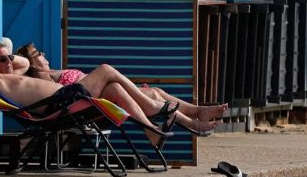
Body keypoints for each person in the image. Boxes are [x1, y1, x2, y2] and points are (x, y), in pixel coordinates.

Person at [0, 41, 172, 147]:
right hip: (60, 104)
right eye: (2, 60)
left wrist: (7, 56)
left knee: (114, 88)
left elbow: (26, 62)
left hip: (67, 99)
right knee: (106, 69)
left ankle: (150, 130)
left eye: (8, 58)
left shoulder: (13, 72)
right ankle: (151, 107)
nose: (9, 62)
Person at [14, 42, 225, 135]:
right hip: (80, 102)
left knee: (155, 92)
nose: (43, 54)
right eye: (38, 53)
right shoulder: (41, 82)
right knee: (110, 74)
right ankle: (190, 121)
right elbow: (59, 97)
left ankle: (197, 112)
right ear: (31, 62)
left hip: (95, 94)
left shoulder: (54, 71)